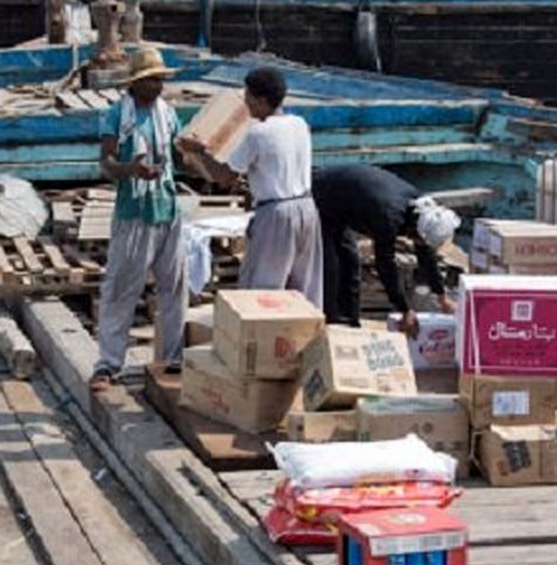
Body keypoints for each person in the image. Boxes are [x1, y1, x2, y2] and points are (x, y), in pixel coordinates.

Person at [180, 66, 322, 305]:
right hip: (306, 209)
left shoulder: (258, 133)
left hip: (276, 213)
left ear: (261, 99)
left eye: (248, 98)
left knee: (262, 291)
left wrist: (200, 151)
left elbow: (225, 177)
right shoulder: (299, 124)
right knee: (304, 288)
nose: (245, 104)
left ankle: (261, 339)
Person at [90, 47, 187, 392]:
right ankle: (108, 364)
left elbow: (179, 156)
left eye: (161, 80)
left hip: (168, 209)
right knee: (120, 289)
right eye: (153, 81)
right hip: (134, 213)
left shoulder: (169, 114)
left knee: (174, 289)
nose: (159, 87)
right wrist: (130, 169)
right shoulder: (117, 115)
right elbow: (106, 163)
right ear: (137, 83)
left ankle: (173, 358)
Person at [312, 164, 459, 336]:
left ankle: (351, 327)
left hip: (342, 202)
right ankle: (333, 329)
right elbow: (385, 266)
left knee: (351, 264)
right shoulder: (389, 217)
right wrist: (404, 309)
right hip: (320, 194)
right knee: (333, 268)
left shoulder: (421, 207)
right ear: (417, 230)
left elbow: (425, 253)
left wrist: (442, 297)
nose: (419, 242)